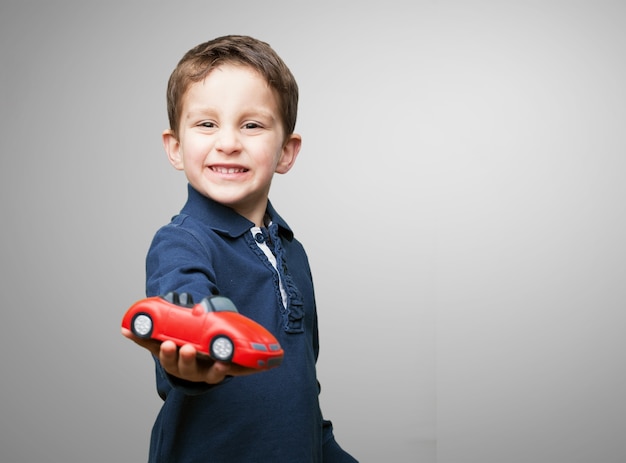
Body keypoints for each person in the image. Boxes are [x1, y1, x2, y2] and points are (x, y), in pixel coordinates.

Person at [121, 34, 359, 462]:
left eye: (251, 125)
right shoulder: (183, 241)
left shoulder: (294, 253)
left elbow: (302, 395)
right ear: (175, 148)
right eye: (206, 124)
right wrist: (195, 352)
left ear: (286, 152)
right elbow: (185, 301)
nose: (228, 142)